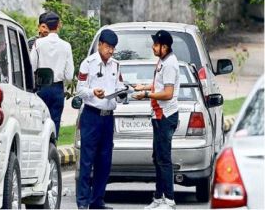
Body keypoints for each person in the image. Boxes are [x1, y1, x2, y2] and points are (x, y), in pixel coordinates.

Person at [76, 29, 126, 209]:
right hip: (91, 116)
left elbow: (119, 87)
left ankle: (97, 200)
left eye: (113, 48)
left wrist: (122, 94)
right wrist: (92, 92)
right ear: (100, 45)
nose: (110, 51)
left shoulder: (116, 65)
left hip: (107, 118)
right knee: (87, 160)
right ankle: (82, 202)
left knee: (104, 161)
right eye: (107, 47)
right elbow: (79, 90)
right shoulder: (88, 63)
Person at [132, 30, 179, 209]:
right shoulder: (163, 61)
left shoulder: (170, 64)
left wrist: (145, 94)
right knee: (157, 157)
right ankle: (158, 198)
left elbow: (167, 93)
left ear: (164, 47)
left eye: (156, 44)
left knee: (164, 159)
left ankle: (169, 200)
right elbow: (160, 85)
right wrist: (143, 86)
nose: (153, 47)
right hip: (158, 115)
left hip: (165, 116)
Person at [30, 11, 74, 139]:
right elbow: (69, 75)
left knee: (40, 123)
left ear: (46, 26)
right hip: (57, 89)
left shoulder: (38, 44)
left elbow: (32, 67)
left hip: (41, 87)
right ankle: (52, 151)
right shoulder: (66, 46)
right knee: (55, 124)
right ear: (58, 25)